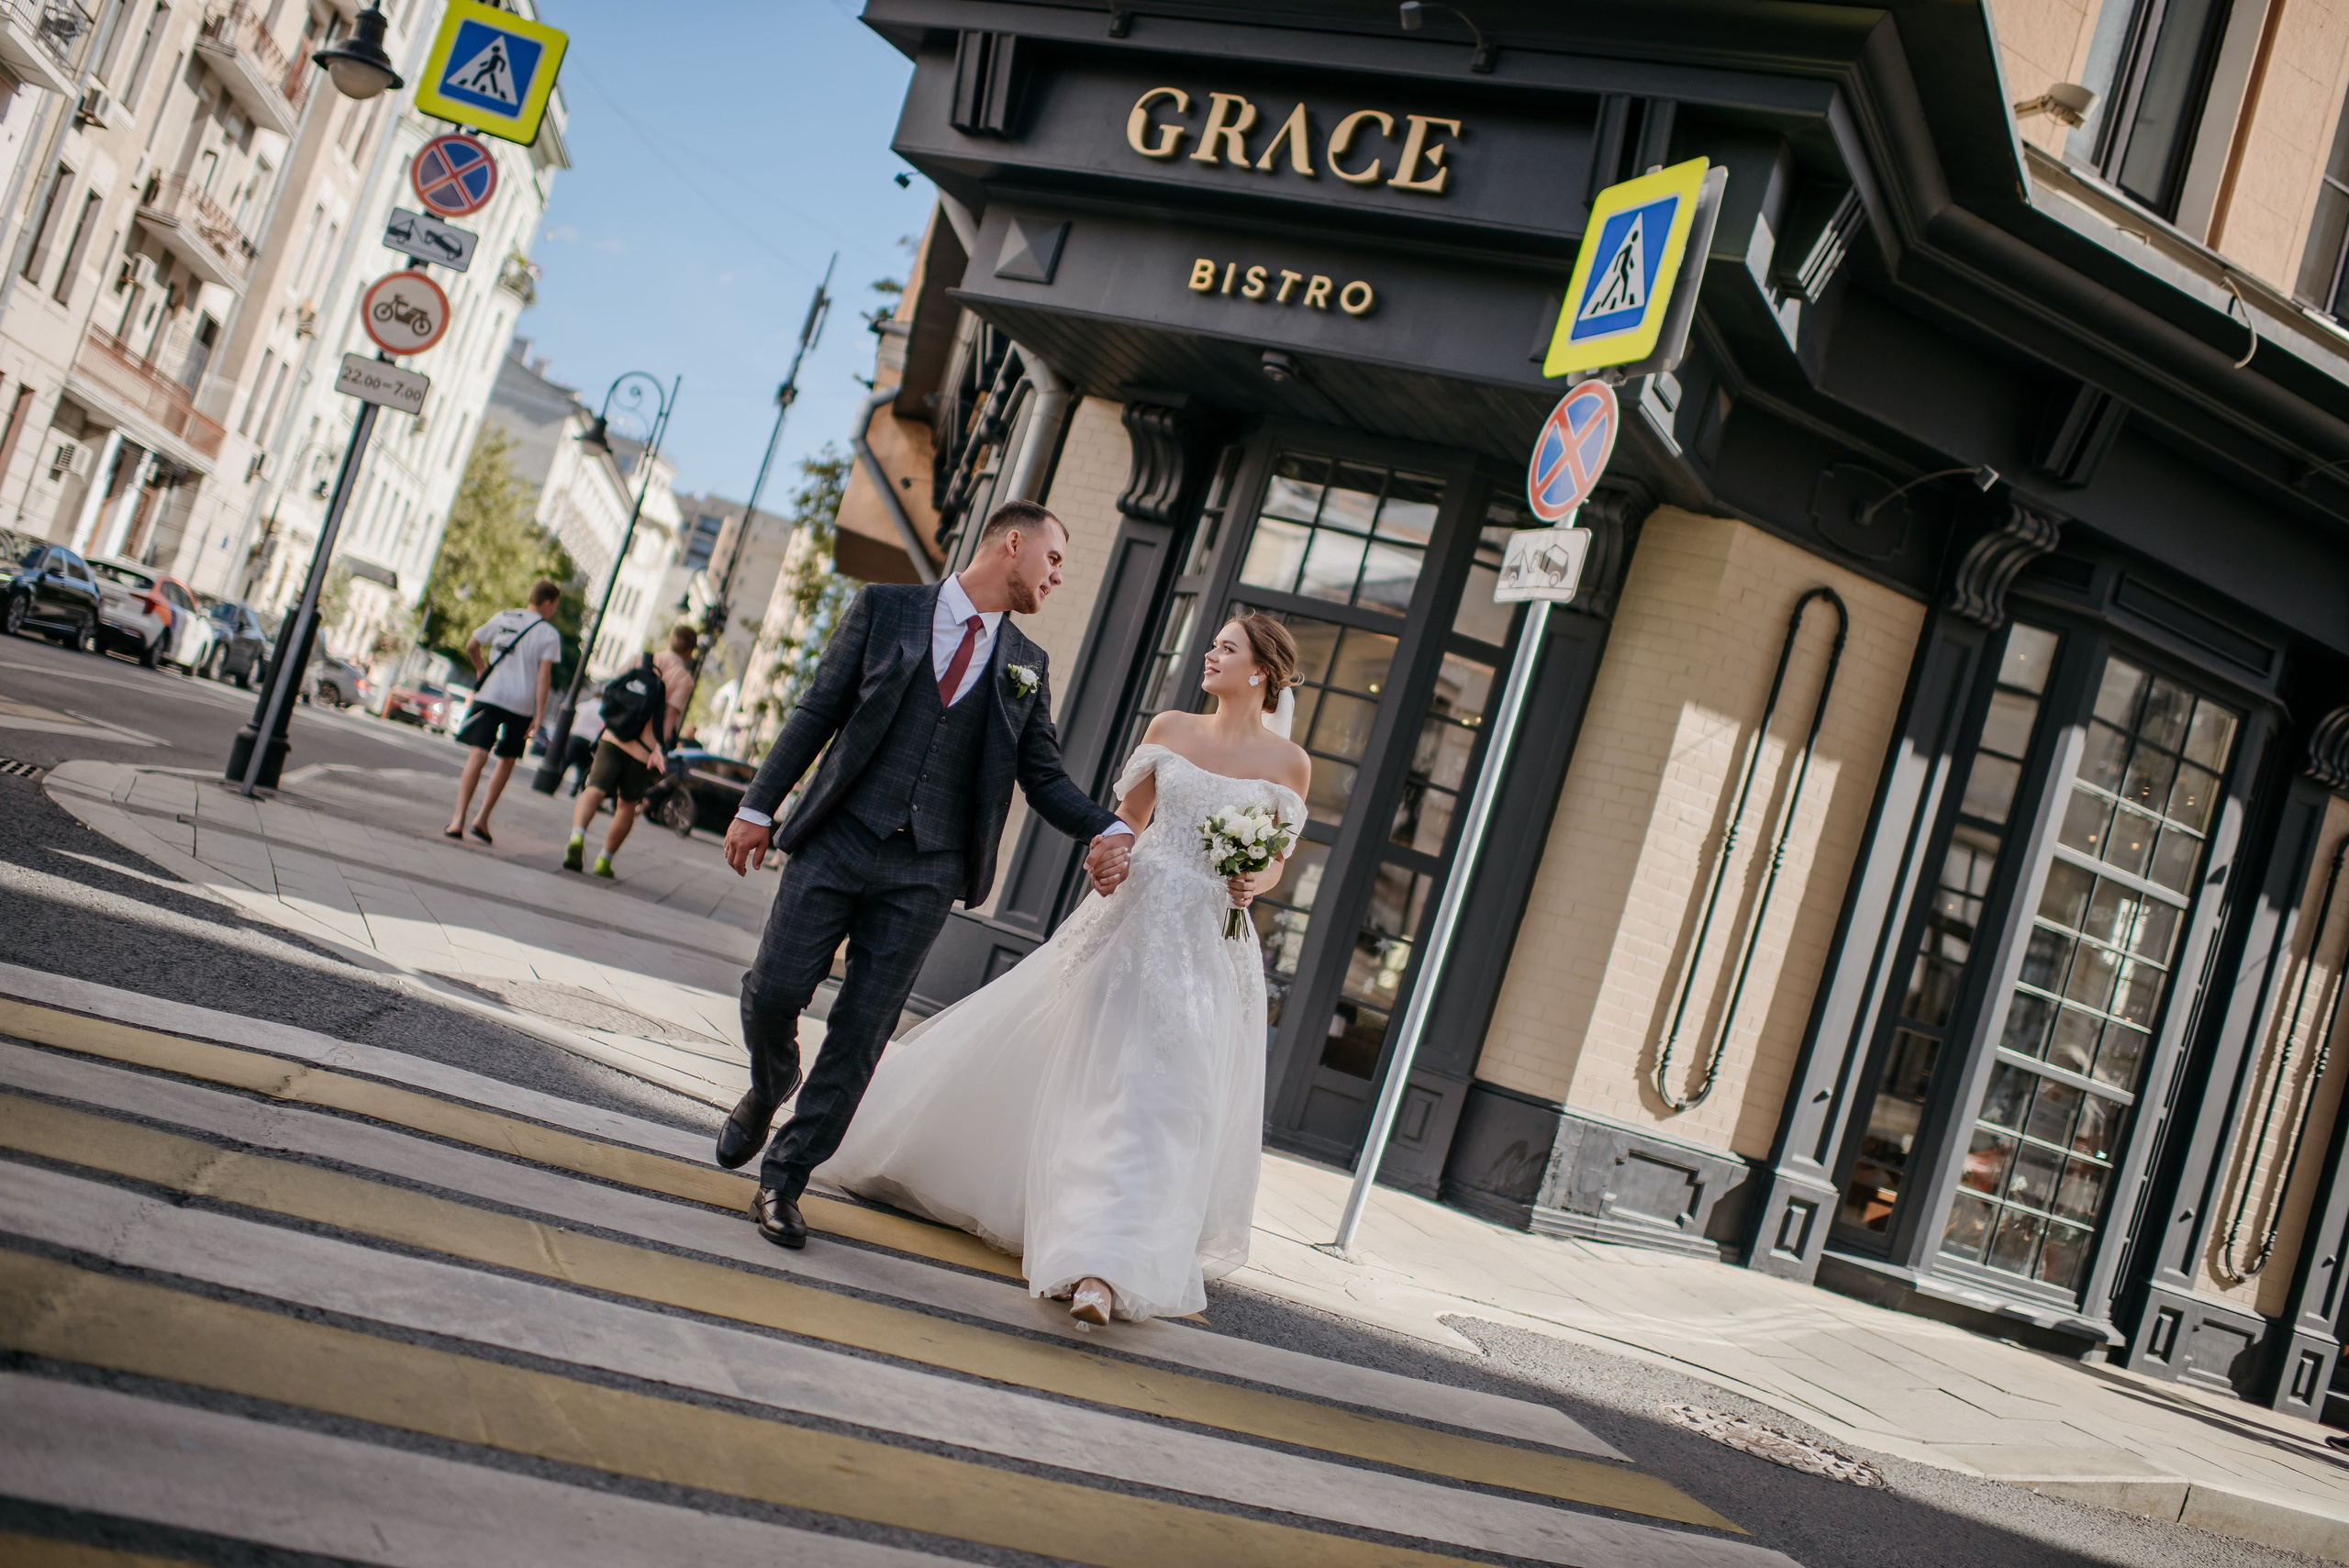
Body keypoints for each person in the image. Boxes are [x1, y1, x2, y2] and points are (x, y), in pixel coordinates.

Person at [820, 614, 1308, 1325]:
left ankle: (1107, 1267)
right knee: (1108, 1084)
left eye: (1227, 648)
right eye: (1213, 643)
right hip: (1134, 924)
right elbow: (1125, 822)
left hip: (1208, 947)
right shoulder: (1170, 729)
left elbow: (1274, 862)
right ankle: (1088, 1256)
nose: (1210, 652)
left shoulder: (1289, 764)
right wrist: (1105, 857)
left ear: (1260, 670)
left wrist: (1252, 883)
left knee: (1172, 1101)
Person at [716, 499, 1135, 1252]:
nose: (1061, 577)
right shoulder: (886, 609)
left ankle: (784, 1177)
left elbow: (1043, 777)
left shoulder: (1027, 666)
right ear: (1014, 544)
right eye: (1056, 559)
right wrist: (757, 805)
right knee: (775, 988)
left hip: (928, 869)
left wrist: (1108, 824)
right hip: (838, 838)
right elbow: (818, 711)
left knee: (863, 1031)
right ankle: (774, 1078)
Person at [563, 623, 696, 877]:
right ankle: (604, 859)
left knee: (594, 788)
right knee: (626, 806)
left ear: (670, 641)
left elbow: (613, 691)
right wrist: (659, 748)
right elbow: (669, 716)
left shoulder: (641, 659)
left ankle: (577, 836)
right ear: (690, 651)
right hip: (644, 751)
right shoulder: (684, 679)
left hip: (615, 737)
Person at [445, 578, 562, 845]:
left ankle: (458, 819)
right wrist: (539, 715)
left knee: (478, 754)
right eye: (555, 605)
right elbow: (544, 677)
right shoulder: (548, 634)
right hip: (520, 704)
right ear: (548, 602)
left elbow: (472, 644)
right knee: (507, 759)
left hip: (491, 694)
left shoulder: (504, 616)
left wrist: (480, 668)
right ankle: (482, 819)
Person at [561, 682, 606, 795]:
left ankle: (556, 782)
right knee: (583, 767)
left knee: (566, 762)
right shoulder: (603, 711)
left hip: (576, 736)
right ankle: (576, 788)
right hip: (590, 740)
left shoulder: (583, 705)